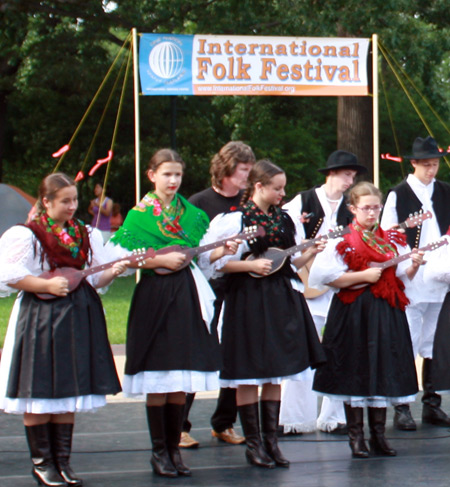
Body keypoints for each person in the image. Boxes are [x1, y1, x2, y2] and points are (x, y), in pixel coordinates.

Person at [106, 148, 238, 478]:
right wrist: (157, 261)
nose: (173, 180)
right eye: (166, 174)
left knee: (181, 372)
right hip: (155, 296)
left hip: (187, 295)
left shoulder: (192, 215)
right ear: (151, 175)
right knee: (159, 372)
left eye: (178, 174)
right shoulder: (139, 216)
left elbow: (203, 260)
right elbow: (119, 262)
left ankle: (173, 450)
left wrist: (224, 249)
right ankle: (159, 452)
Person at [0, 173, 127, 487]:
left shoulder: (84, 233)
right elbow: (8, 274)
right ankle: (43, 463)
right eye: (65, 201)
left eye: (75, 200)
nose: (73, 206)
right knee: (38, 387)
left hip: (77, 315)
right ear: (46, 202)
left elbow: (95, 279)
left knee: (68, 388)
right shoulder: (27, 234)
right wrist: (42, 283)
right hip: (40, 316)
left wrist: (115, 269)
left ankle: (63, 462)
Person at [198, 159, 326, 469]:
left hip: (281, 299)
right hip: (247, 298)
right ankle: (254, 445)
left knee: (276, 369)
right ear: (258, 186)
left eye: (283, 188)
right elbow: (210, 262)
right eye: (277, 188)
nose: (282, 194)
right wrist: (249, 265)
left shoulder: (284, 219)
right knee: (249, 370)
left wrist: (309, 252)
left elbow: (289, 263)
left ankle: (271, 443)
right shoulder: (234, 220)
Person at [310, 181, 423, 459]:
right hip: (353, 312)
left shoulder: (391, 239)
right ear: (352, 209)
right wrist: (361, 276)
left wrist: (414, 265)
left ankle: (378, 436)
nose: (372, 213)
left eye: (376, 207)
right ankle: (356, 437)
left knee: (381, 367)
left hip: (386, 310)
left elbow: (398, 279)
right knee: (354, 367)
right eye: (366, 208)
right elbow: (326, 278)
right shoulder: (343, 240)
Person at [281, 150, 367, 435]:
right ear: (331, 173)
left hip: (338, 283)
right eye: (346, 175)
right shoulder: (303, 201)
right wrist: (306, 245)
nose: (349, 181)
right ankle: (294, 419)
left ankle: (333, 417)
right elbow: (283, 237)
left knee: (340, 346)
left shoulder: (350, 207)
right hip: (307, 282)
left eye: (353, 177)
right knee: (302, 349)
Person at [183, 140, 255, 448]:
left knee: (236, 356)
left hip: (241, 289)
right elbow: (189, 248)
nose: (247, 177)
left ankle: (224, 422)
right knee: (197, 354)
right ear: (225, 169)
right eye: (243, 170)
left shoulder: (250, 202)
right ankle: (179, 426)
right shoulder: (198, 203)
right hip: (206, 289)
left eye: (251, 170)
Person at [380, 136, 450, 431]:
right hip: (411, 274)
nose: (431, 170)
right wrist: (407, 260)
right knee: (406, 339)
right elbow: (387, 234)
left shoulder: (446, 191)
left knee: (435, 339)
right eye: (425, 165)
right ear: (414, 164)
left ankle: (432, 402)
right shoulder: (399, 194)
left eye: (434, 164)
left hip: (441, 273)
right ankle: (402, 406)